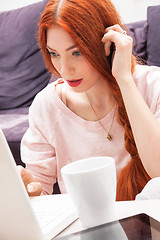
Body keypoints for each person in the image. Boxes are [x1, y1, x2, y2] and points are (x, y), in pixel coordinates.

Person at [18, 0, 160, 201]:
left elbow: (159, 172)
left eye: (76, 52)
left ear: (108, 43)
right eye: (54, 54)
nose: (64, 70)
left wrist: (124, 79)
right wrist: (27, 190)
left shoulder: (152, 85)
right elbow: (39, 190)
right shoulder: (47, 106)